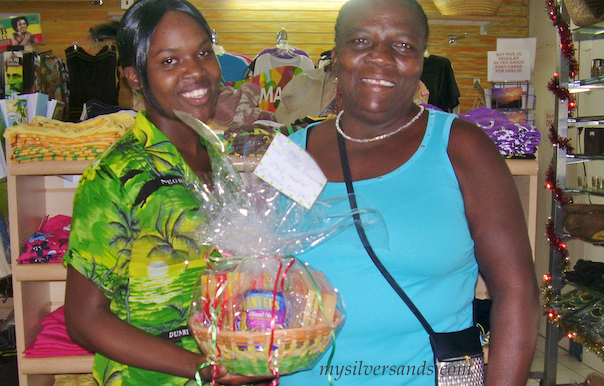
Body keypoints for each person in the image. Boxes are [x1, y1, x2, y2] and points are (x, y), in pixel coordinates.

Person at [280, 0, 540, 384]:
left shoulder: (462, 147)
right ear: (336, 57)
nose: (381, 58)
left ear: (421, 61)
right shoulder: (289, 156)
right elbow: (256, 279)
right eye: (361, 41)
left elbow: (516, 290)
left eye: (402, 45)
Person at [63, 1, 272, 385]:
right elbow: (83, 320)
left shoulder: (215, 158)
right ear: (134, 77)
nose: (196, 71)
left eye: (203, 53)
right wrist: (202, 370)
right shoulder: (117, 176)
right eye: (169, 61)